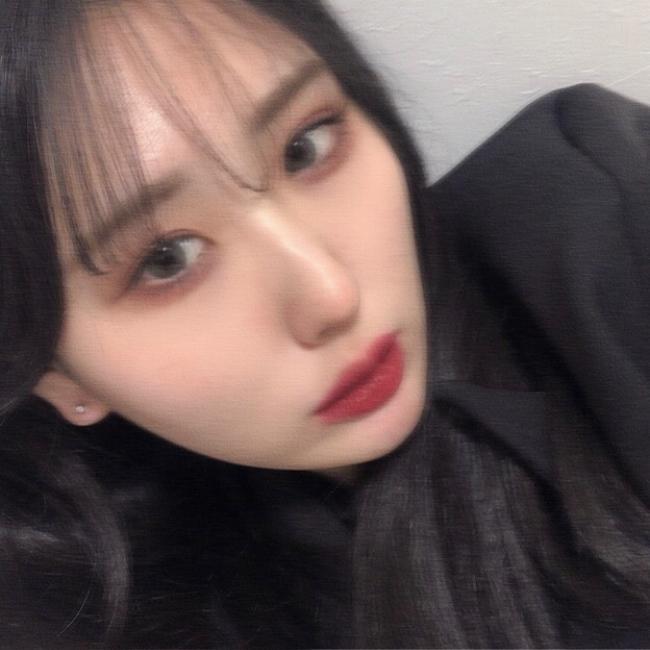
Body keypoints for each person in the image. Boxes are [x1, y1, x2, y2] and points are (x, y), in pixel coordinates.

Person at [2, 0, 650, 648]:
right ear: (58, 377)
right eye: (166, 259)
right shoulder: (89, 608)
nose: (332, 296)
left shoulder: (599, 224)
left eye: (304, 147)